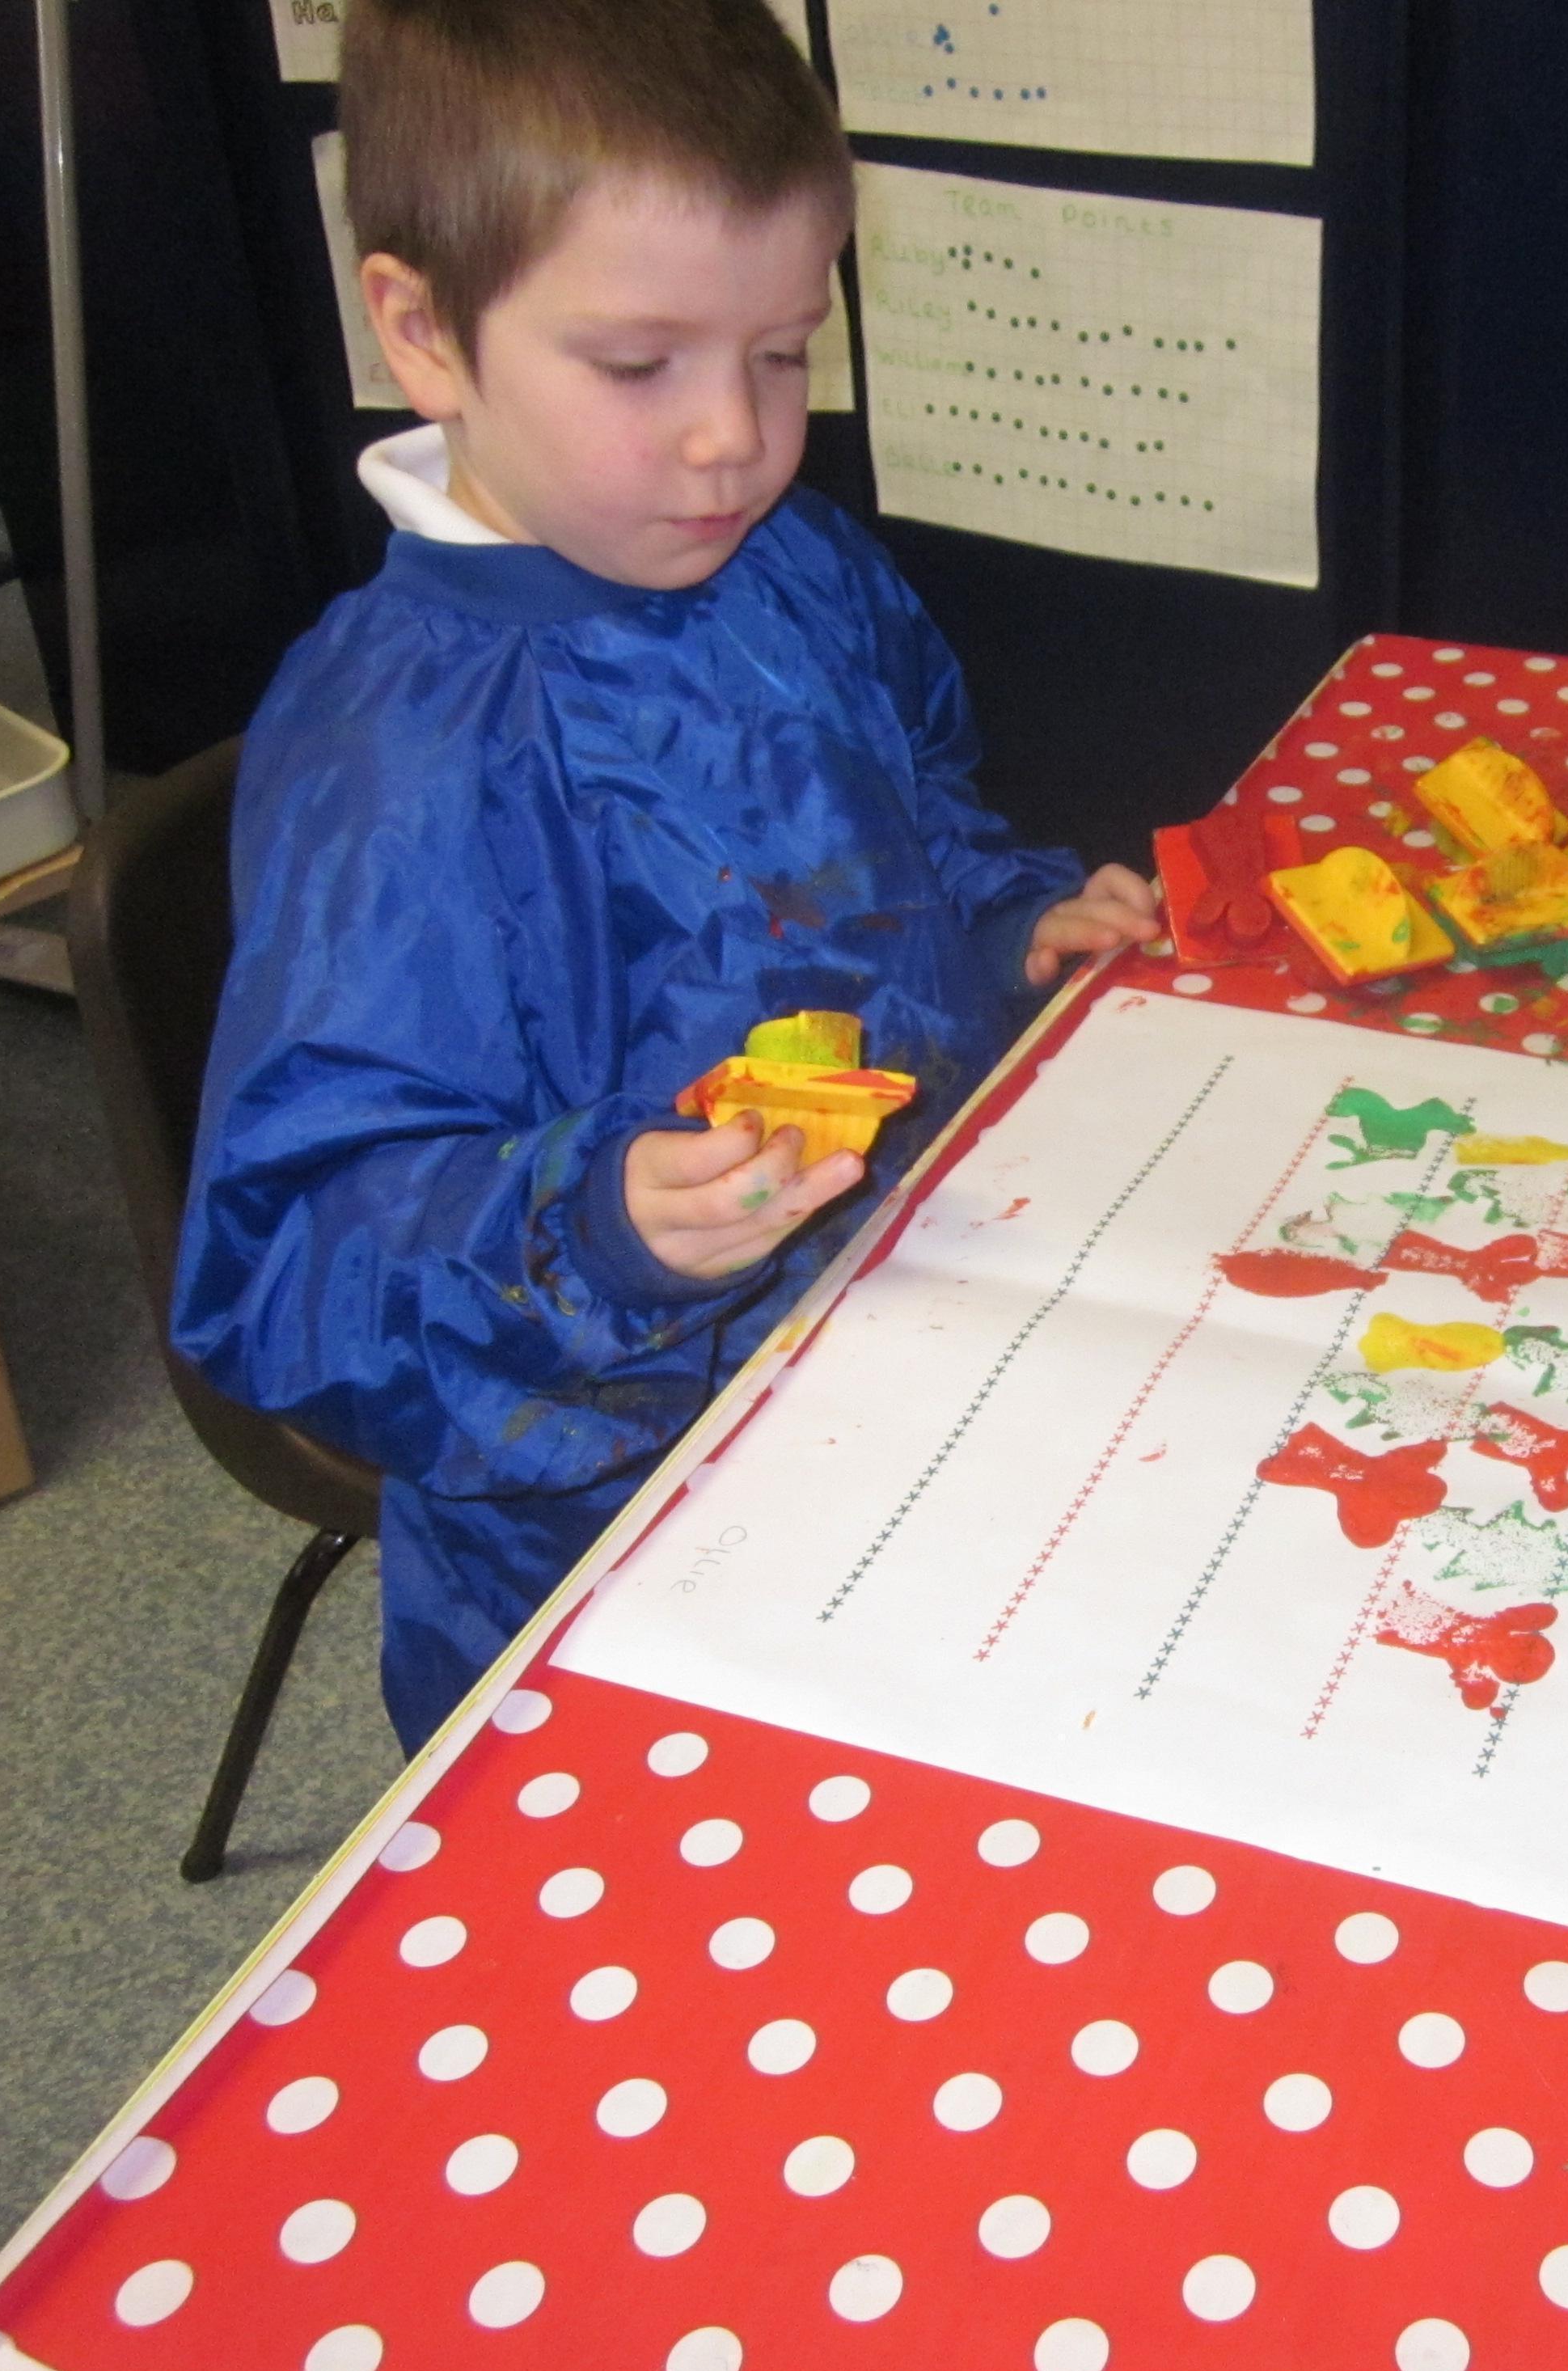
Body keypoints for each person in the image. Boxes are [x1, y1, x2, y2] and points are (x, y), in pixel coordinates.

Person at [174, 0, 1157, 1752]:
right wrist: (599, 1230)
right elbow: (292, 1265)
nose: (733, 439)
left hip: (905, 1350)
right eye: (640, 367)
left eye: (780, 353)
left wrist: (1012, 918)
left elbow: (911, 815)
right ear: (424, 331)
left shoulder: (785, 562)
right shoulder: (400, 756)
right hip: (609, 1537)